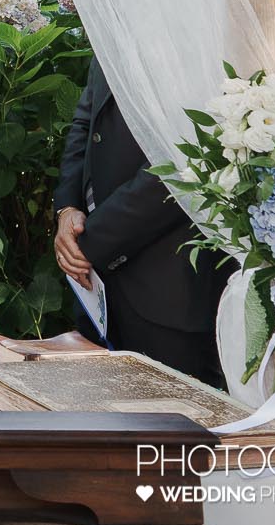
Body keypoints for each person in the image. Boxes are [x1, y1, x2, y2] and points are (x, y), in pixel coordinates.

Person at [53, 57, 232, 386]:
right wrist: (67, 209)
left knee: (170, 433)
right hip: (96, 286)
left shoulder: (195, 26)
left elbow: (186, 158)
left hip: (169, 289)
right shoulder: (112, 16)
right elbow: (85, 123)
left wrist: (92, 241)